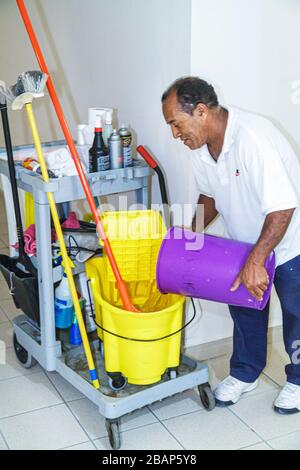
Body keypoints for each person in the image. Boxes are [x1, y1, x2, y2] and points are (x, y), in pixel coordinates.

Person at [162, 76, 300, 414]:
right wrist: (189, 233)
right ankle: (245, 373)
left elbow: (283, 206)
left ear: (201, 111)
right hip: (244, 243)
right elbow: (209, 195)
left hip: (288, 243)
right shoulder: (201, 148)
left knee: (297, 314)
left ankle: (298, 380)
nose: (175, 135)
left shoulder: (254, 137)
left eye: (176, 124)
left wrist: (258, 260)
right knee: (245, 310)